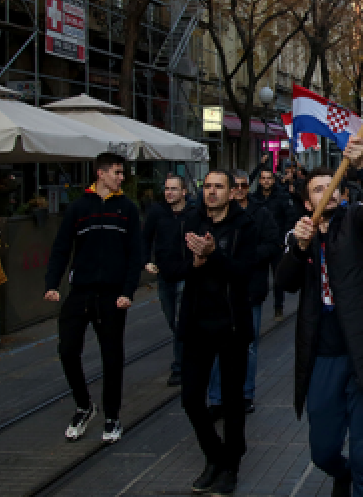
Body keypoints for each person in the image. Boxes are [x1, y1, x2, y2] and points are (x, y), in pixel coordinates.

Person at [277, 138, 363, 497]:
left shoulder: (357, 224)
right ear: (306, 201)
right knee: (323, 450)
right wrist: (298, 249)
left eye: (332, 187)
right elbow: (284, 283)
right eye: (318, 189)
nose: (327, 193)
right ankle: (340, 473)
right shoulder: (302, 235)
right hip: (325, 355)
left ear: (342, 195)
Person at [162, 170, 270, 497]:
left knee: (233, 401)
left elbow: (243, 272)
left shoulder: (245, 225)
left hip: (232, 325)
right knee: (191, 398)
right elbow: (169, 267)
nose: (211, 192)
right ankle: (214, 454)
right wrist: (193, 265)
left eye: (218, 187)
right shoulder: (190, 221)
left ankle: (230, 466)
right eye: (207, 186)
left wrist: (213, 255)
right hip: (197, 323)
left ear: (230, 192)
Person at [44, 152, 144, 444]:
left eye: (122, 173)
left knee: (112, 357)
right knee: (67, 349)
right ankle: (84, 405)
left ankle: (112, 416)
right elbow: (62, 248)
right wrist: (52, 283)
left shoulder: (127, 209)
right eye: (116, 172)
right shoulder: (79, 208)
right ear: (100, 174)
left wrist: (127, 292)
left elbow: (134, 254)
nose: (121, 177)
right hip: (81, 292)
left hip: (112, 295)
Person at [207, 171, 281, 417]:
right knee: (217, 345)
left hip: (250, 289)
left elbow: (273, 244)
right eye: (235, 186)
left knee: (247, 345)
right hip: (218, 291)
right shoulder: (215, 216)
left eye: (242, 185)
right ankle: (217, 397)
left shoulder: (260, 214)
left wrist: (249, 256)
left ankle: (245, 393)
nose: (239, 190)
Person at [142, 174, 191, 387]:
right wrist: (146, 261)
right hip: (165, 274)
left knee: (181, 322)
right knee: (172, 320)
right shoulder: (157, 213)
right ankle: (187, 356)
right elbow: (144, 239)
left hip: (186, 275)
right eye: (167, 189)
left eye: (173, 189)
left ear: (184, 192)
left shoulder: (193, 213)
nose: (169, 192)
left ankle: (180, 366)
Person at [253, 168, 298, 321]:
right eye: (263, 178)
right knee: (260, 276)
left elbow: (289, 218)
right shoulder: (255, 199)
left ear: (273, 180)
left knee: (278, 276)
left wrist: (282, 240)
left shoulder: (281, 197)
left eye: (269, 178)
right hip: (261, 245)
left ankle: (278, 306)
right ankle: (258, 301)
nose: (266, 181)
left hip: (277, 244)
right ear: (260, 181)